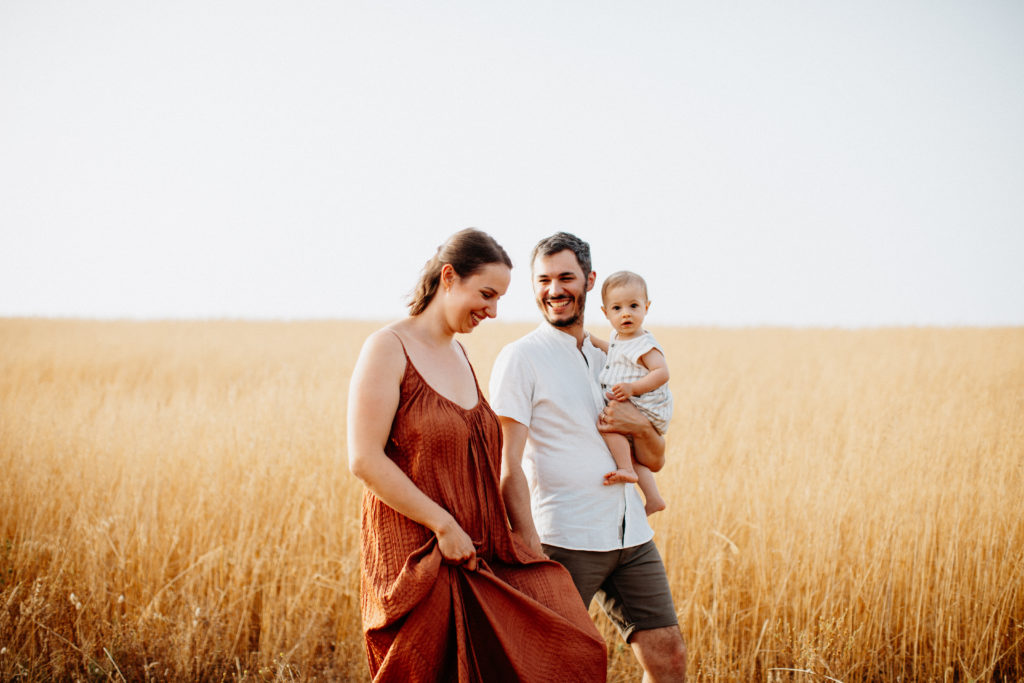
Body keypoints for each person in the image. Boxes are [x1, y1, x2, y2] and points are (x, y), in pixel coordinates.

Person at [347, 228, 606, 683]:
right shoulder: (387, 348)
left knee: (574, 647)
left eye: (500, 298)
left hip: (480, 552)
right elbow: (365, 460)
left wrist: (520, 541)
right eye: (486, 294)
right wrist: (443, 526)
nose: (493, 310)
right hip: (420, 556)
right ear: (449, 277)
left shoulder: (460, 353)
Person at [489, 232, 688, 682]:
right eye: (543, 280)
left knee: (669, 657)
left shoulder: (614, 358)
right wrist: (529, 546)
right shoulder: (521, 358)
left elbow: (654, 459)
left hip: (631, 536)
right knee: (552, 668)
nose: (554, 290)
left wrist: (639, 425)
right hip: (564, 540)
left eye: (566, 278)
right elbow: (507, 463)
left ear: (590, 280)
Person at [591, 270, 672, 515]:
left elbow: (661, 372)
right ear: (605, 313)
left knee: (610, 426)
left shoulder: (644, 343)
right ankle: (654, 498)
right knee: (634, 455)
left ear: (646, 307)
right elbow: (615, 352)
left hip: (645, 405)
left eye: (633, 306)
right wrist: (593, 341)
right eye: (617, 308)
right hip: (636, 405)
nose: (625, 313)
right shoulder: (619, 338)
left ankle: (626, 468)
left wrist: (632, 388)